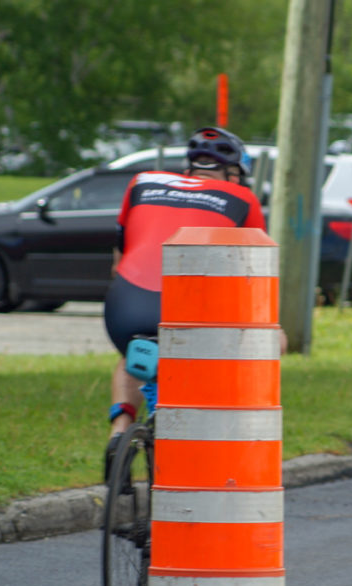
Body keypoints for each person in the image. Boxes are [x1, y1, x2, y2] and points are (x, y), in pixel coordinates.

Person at [102, 126, 267, 480]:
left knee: (132, 355)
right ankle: (179, 467)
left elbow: (120, 255)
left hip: (124, 303)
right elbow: (255, 277)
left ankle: (120, 427)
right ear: (234, 173)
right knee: (200, 368)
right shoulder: (243, 200)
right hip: (183, 305)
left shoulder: (142, 182)